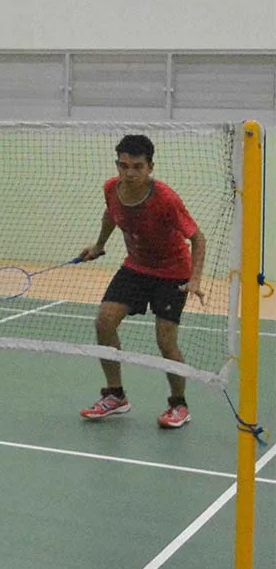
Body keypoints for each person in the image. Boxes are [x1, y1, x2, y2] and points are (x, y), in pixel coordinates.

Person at [77, 134, 205, 429]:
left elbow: (197, 237)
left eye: (137, 166)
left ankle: (179, 404)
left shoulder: (166, 198)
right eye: (124, 166)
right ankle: (115, 395)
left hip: (173, 272)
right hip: (136, 267)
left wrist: (195, 279)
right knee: (104, 323)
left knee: (165, 340)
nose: (130, 173)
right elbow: (111, 214)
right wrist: (98, 246)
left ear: (150, 167)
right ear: (117, 165)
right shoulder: (111, 188)